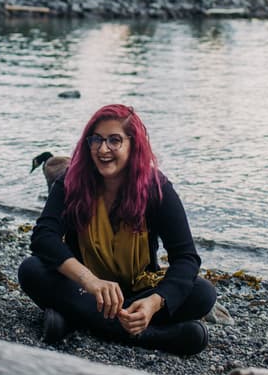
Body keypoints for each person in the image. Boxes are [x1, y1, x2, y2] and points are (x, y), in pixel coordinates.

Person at [18, 104, 216, 356]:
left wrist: (153, 304)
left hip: (139, 290)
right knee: (31, 269)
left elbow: (186, 257)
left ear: (133, 146)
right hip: (86, 288)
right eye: (97, 140)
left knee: (203, 293)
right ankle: (156, 336)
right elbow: (44, 237)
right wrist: (90, 281)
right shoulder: (71, 182)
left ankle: (74, 319)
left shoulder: (156, 188)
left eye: (114, 141)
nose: (103, 149)